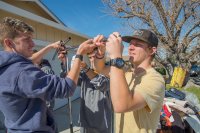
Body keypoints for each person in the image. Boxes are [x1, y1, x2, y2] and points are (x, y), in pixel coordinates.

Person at [0, 17, 96, 133]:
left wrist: (50, 46)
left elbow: (31, 59)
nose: (33, 44)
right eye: (27, 39)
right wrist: (79, 54)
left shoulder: (7, 66)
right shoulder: (22, 72)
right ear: (9, 42)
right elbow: (66, 88)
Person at [94, 30, 165, 133]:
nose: (130, 48)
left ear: (152, 50)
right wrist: (100, 53)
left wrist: (116, 56)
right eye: (130, 44)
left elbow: (121, 105)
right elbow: (99, 68)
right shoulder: (126, 71)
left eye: (137, 44)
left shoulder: (155, 79)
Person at [77, 52, 113, 133]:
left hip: (102, 122)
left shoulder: (108, 72)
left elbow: (102, 84)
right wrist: (65, 62)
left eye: (95, 57)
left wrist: (86, 69)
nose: (92, 60)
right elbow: (72, 81)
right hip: (85, 119)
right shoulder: (84, 73)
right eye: (90, 57)